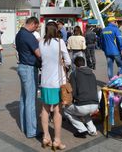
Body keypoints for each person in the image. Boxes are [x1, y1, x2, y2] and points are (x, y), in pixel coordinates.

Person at [39, 21, 71, 150]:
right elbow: (68, 61)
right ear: (56, 30)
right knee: (57, 110)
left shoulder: (41, 42)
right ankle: (57, 140)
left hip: (45, 81)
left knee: (45, 109)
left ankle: (46, 137)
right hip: (57, 81)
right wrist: (62, 62)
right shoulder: (60, 43)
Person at [15, 16, 41, 138]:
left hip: (22, 67)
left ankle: (25, 127)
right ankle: (32, 131)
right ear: (33, 24)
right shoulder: (29, 36)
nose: (36, 29)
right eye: (37, 27)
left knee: (24, 98)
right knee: (30, 100)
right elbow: (38, 53)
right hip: (29, 68)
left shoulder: (19, 34)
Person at [64, 56, 99, 138]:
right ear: (84, 63)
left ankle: (81, 129)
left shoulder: (74, 73)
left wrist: (70, 101)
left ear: (75, 65)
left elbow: (73, 91)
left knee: (66, 111)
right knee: (85, 111)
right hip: (95, 104)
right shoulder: (92, 73)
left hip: (83, 105)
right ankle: (92, 130)